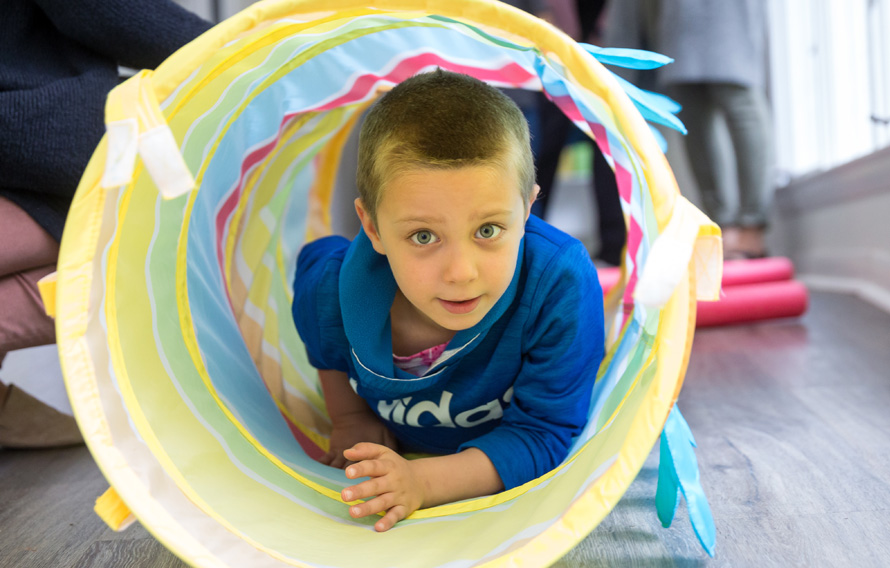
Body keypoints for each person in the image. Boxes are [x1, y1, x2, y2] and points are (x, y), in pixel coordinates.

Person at [292, 70, 604, 532]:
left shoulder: (559, 283)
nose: (461, 272)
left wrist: (422, 481)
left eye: (488, 230)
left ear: (527, 209)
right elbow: (325, 344)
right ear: (373, 227)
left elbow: (544, 432)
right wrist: (349, 417)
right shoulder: (331, 289)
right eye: (423, 236)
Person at [0, 0, 212, 448]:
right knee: (148, 258)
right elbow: (114, 13)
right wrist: (240, 51)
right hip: (44, 151)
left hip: (37, 157)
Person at [607, 0, 773, 259]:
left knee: (740, 103)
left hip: (729, 16)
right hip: (676, 19)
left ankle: (752, 225)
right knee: (694, 120)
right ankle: (722, 225)